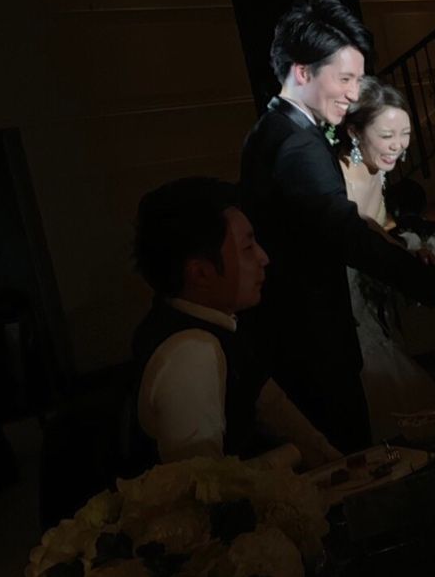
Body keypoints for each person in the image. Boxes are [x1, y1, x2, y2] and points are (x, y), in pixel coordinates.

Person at [239, 0, 435, 451]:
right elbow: (346, 234)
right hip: (313, 347)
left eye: (357, 80)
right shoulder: (298, 145)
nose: (353, 93)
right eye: (344, 79)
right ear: (302, 72)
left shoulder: (270, 131)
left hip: (295, 343)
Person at [130, 177, 341, 467]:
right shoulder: (190, 352)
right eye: (247, 248)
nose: (264, 258)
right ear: (200, 273)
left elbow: (269, 402)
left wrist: (326, 455)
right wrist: (295, 453)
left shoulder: (218, 327)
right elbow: (201, 482)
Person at [334, 78, 435, 440]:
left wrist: (412, 252)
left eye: (402, 133)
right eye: (386, 134)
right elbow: (363, 233)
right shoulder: (336, 176)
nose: (396, 145)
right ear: (355, 132)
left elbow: (383, 228)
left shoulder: (376, 173)